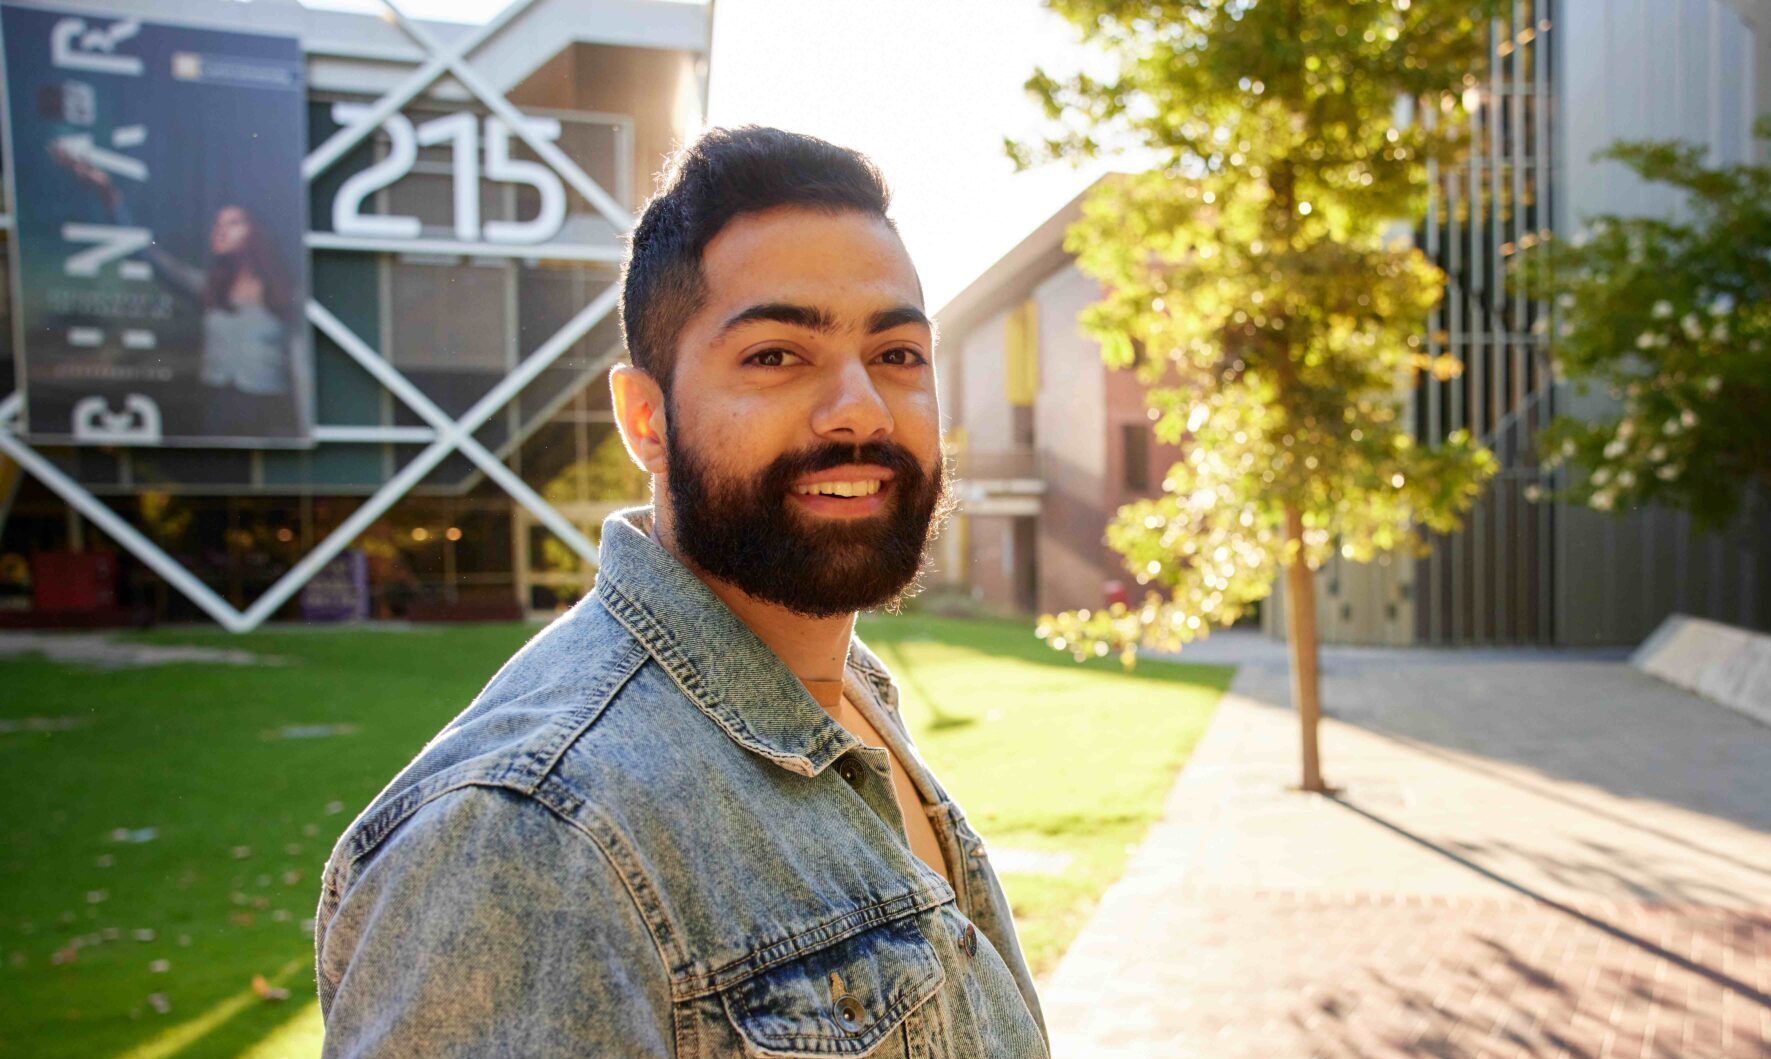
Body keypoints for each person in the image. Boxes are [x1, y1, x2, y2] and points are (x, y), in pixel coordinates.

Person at [313, 126, 1050, 1057]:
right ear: (643, 419)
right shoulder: (530, 833)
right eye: (777, 355)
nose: (861, 407)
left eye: (897, 353)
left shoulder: (846, 691)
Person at [52, 144, 303, 439]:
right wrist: (108, 192)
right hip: (218, 404)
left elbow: (302, 367)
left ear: (256, 232)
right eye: (218, 224)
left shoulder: (285, 294)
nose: (221, 230)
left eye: (234, 223)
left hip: (269, 408)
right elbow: (147, 255)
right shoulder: (207, 287)